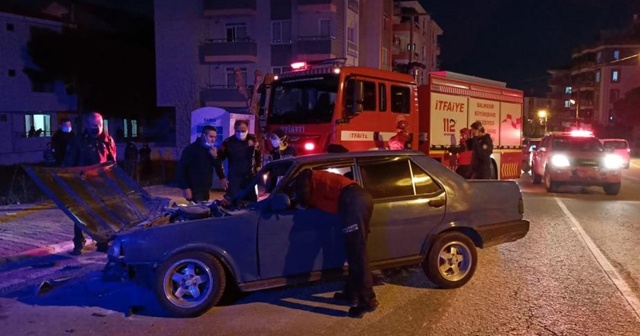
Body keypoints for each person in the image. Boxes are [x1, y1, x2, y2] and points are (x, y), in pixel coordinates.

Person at [295, 168, 378, 318]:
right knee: (352, 251)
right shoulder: (318, 178)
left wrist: (300, 202)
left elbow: (306, 198)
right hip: (357, 199)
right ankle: (351, 292)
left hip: (354, 201)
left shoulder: (310, 178)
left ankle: (368, 300)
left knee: (357, 254)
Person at [63, 112, 116, 255]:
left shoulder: (107, 140)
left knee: (101, 214)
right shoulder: (78, 141)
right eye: (93, 125)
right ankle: (79, 244)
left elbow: (113, 164)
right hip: (82, 184)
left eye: (99, 125)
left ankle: (102, 242)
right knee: (80, 215)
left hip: (101, 185)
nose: (96, 128)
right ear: (87, 125)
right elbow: (69, 163)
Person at [176, 125, 227, 203]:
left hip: (206, 187)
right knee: (198, 209)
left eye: (215, 137)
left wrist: (215, 157)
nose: (213, 140)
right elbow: (181, 169)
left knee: (204, 207)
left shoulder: (210, 150)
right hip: (194, 188)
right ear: (203, 136)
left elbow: (217, 165)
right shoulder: (191, 150)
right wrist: (185, 187)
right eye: (211, 137)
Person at [216, 120, 261, 204]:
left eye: (243, 131)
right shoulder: (228, 142)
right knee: (232, 202)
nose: (241, 133)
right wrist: (222, 177)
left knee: (252, 203)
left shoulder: (252, 139)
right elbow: (218, 159)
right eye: (238, 131)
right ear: (234, 129)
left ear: (247, 129)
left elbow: (258, 153)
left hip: (250, 177)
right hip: (234, 178)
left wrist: (258, 166)